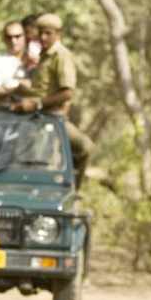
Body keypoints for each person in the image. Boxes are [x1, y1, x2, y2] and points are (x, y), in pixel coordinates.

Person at [11, 13, 95, 188]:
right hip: (36, 117)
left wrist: (37, 103)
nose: (43, 37)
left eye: (48, 33)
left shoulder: (61, 56)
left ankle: (74, 191)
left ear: (58, 33)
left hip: (53, 118)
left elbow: (67, 93)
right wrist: (23, 89)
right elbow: (43, 88)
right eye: (40, 33)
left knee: (84, 148)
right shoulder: (44, 55)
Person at [0, 20, 28, 105]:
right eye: (9, 37)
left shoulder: (37, 57)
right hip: (6, 113)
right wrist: (16, 90)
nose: (13, 41)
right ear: (3, 38)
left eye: (17, 36)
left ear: (25, 36)